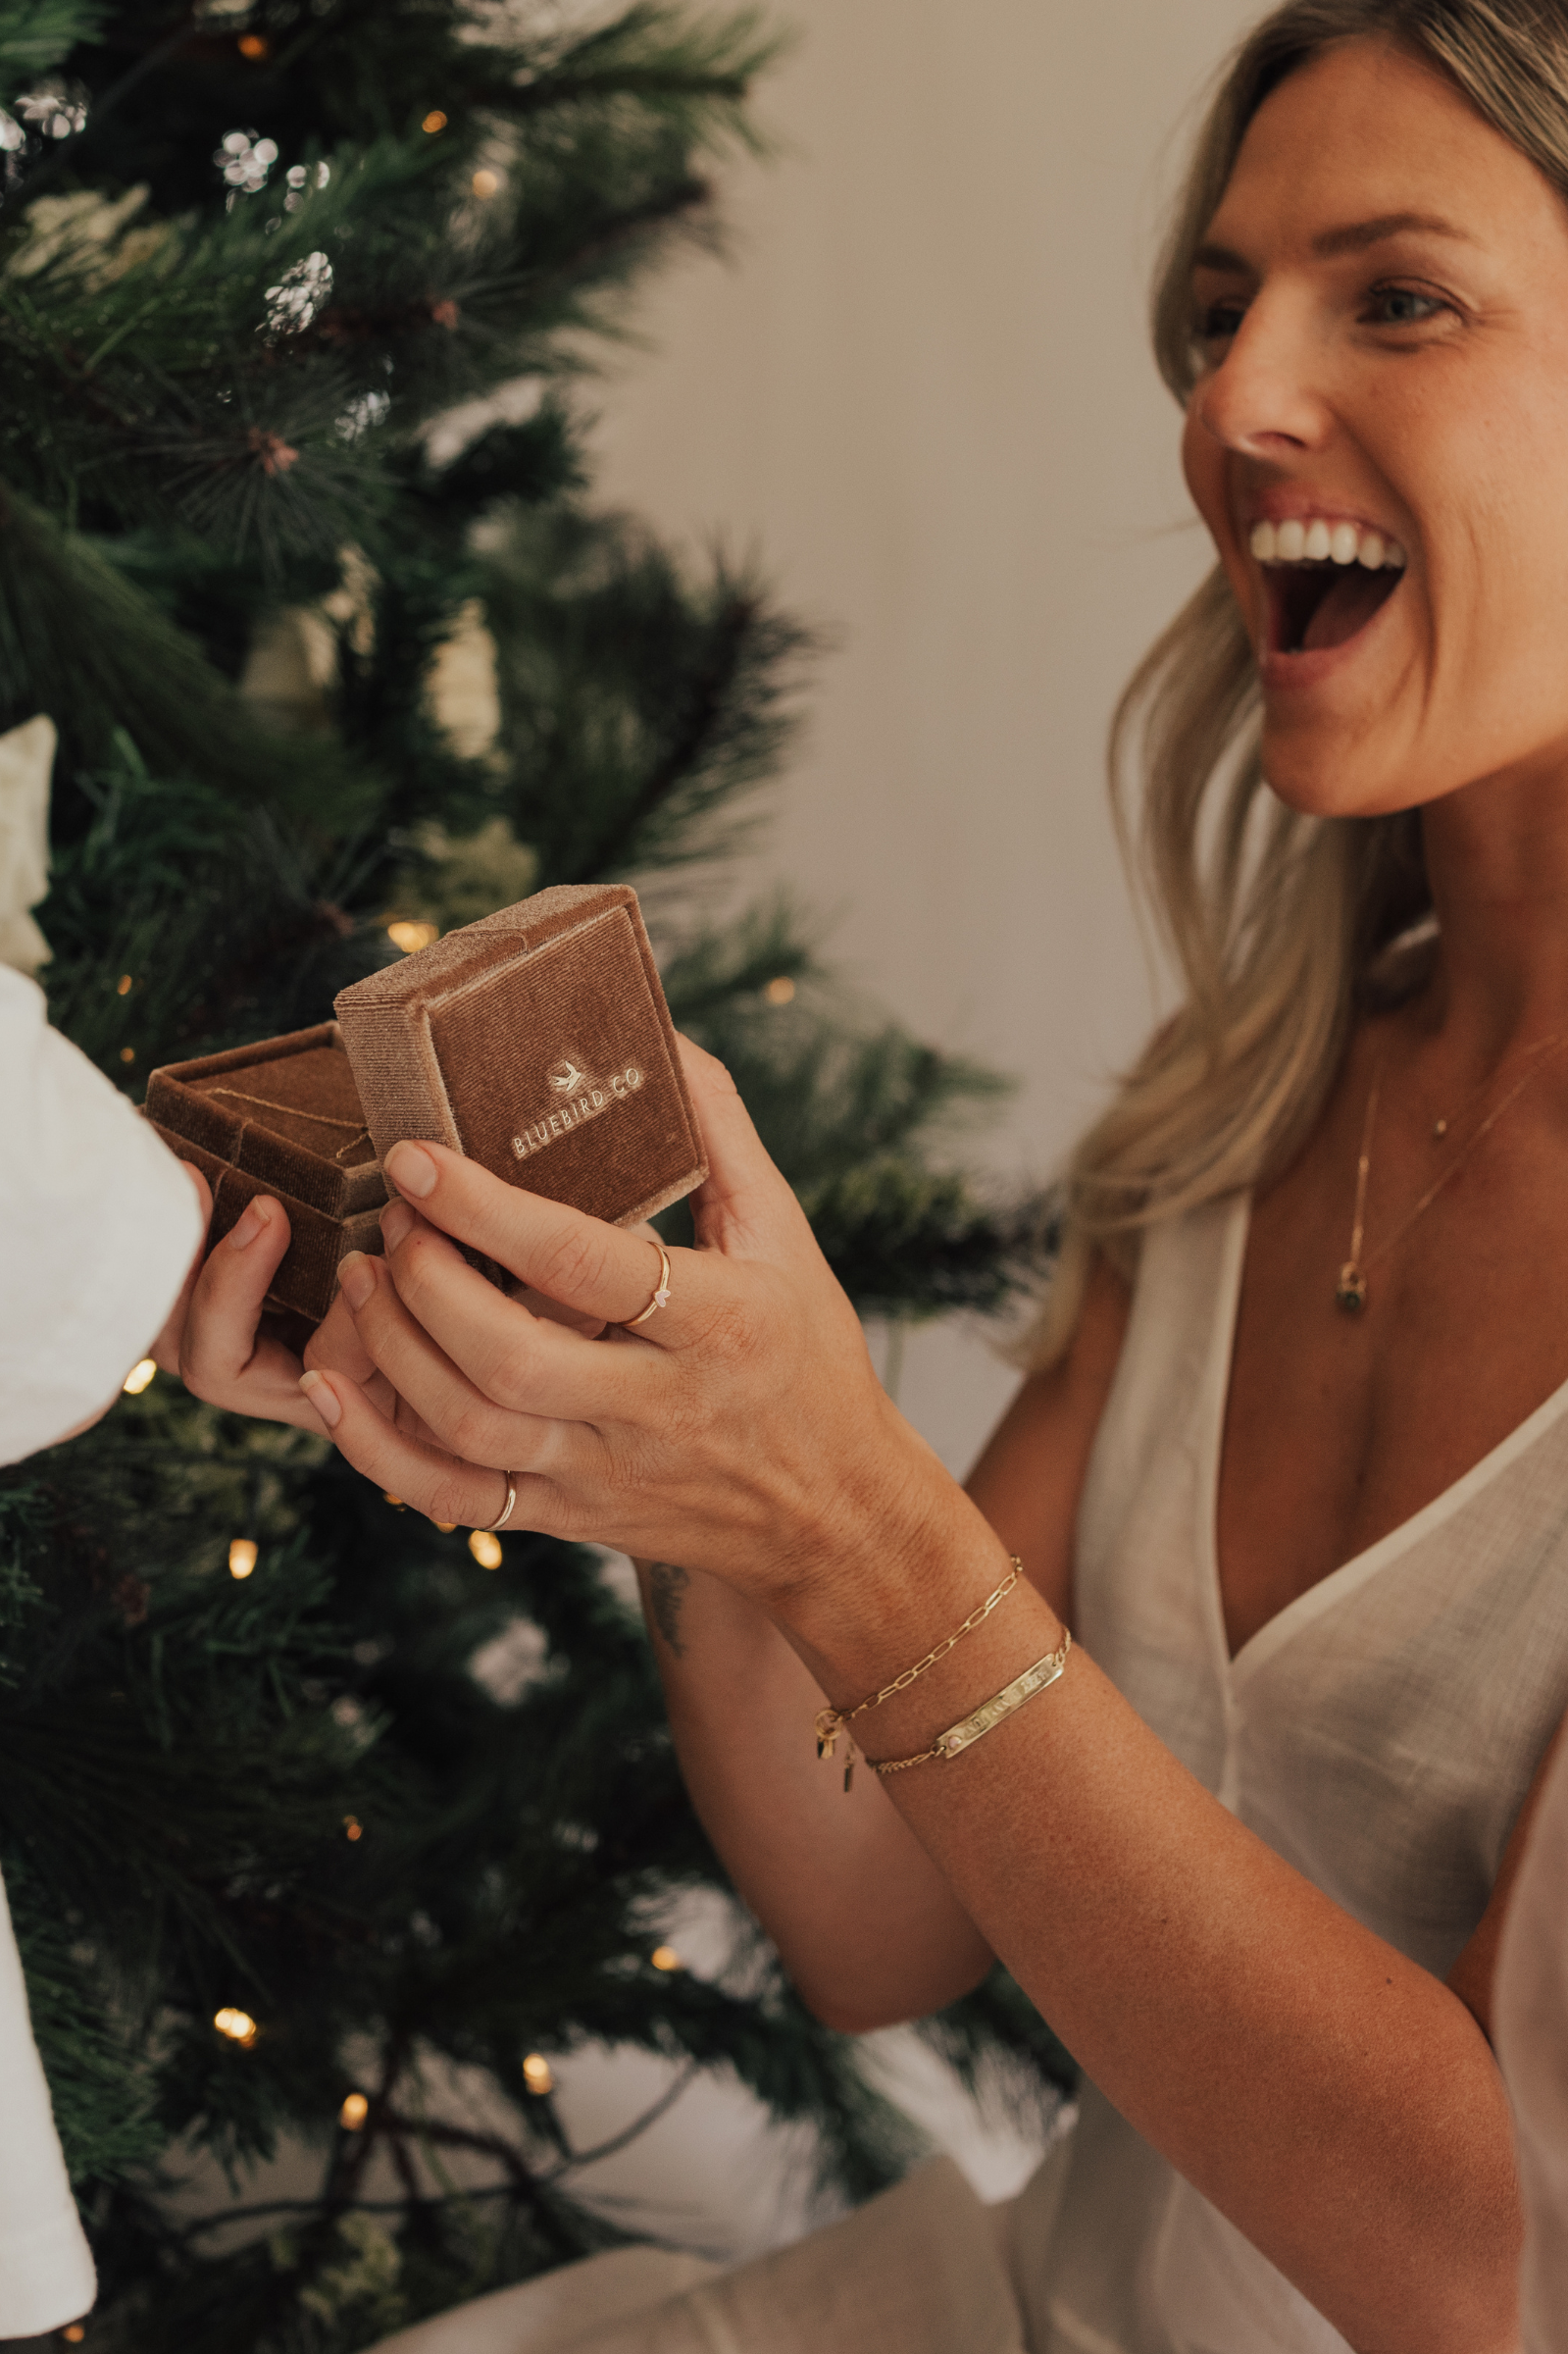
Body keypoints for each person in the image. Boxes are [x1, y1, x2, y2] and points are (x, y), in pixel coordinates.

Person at [174, 4, 1568, 2348]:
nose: (1227, 403)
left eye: (1395, 296)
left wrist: (841, 1500)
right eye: (1218, 311)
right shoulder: (1246, 1118)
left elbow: (1478, 2261)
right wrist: (654, 1452)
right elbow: (874, 1924)